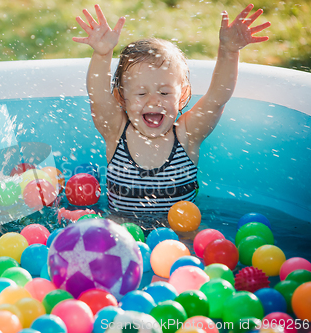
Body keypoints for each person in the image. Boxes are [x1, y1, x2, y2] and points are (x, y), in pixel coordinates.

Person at [73, 4, 270, 222]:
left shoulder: (186, 135)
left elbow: (217, 98)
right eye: (141, 93)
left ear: (182, 94)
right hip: (123, 239)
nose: (154, 101)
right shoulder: (116, 132)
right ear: (121, 98)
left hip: (180, 240)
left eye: (165, 92)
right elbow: (98, 98)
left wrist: (229, 52)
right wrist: (102, 54)